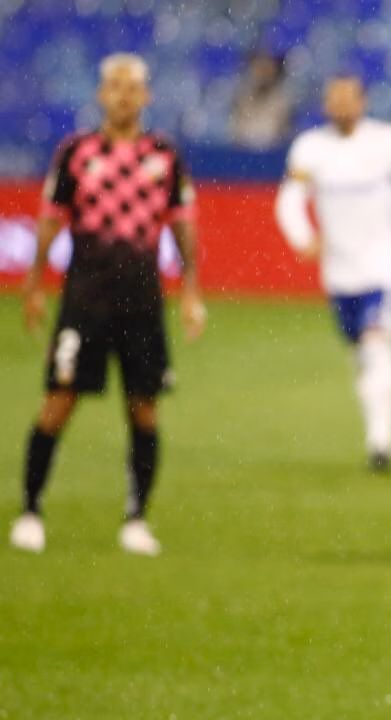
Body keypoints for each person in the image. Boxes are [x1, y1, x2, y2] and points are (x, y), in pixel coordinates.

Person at [10, 53, 206, 556]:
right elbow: (51, 218)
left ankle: (136, 518)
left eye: (131, 87)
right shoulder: (75, 151)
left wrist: (190, 290)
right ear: (101, 94)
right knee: (59, 401)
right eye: (114, 86)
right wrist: (34, 284)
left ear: (146, 96)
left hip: (142, 299)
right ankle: (31, 510)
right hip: (85, 297)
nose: (122, 94)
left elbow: (182, 222)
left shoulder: (164, 154)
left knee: (143, 408)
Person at [274, 75, 391, 471]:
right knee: (362, 353)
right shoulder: (310, 148)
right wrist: (302, 236)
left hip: (384, 263)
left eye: (348, 97)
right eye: (333, 98)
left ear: (363, 100)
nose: (341, 105)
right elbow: (289, 200)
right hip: (339, 270)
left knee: (378, 344)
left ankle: (381, 441)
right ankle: (377, 429)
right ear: (325, 104)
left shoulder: (389, 141)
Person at [229, 50, 293, 150]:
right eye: (258, 70)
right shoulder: (242, 98)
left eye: (266, 70)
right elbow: (236, 132)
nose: (262, 75)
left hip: (272, 155)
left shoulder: (282, 101)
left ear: (274, 72)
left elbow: (278, 134)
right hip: (243, 154)